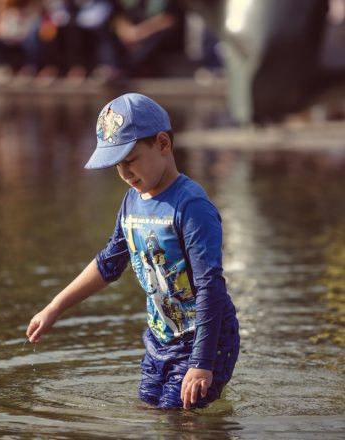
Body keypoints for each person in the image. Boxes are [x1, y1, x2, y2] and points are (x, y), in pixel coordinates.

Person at [26, 93, 240, 410]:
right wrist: (54, 308)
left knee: (178, 419)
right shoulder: (131, 202)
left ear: (163, 144)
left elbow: (210, 286)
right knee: (147, 411)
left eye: (130, 160)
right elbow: (108, 264)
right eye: (117, 165)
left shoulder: (190, 206)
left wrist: (202, 362)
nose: (125, 173)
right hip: (160, 338)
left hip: (204, 339)